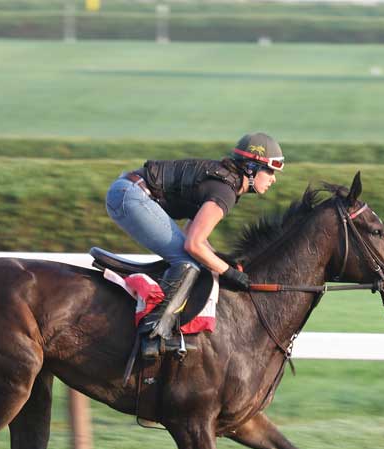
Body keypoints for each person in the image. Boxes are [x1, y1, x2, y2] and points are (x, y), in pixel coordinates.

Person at [105, 132, 284, 358]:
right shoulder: (226, 190)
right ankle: (153, 334)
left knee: (195, 260)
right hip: (131, 195)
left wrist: (221, 260)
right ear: (251, 168)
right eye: (269, 171)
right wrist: (228, 272)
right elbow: (194, 245)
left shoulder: (227, 184)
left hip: (127, 191)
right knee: (187, 261)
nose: (273, 178)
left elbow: (192, 232)